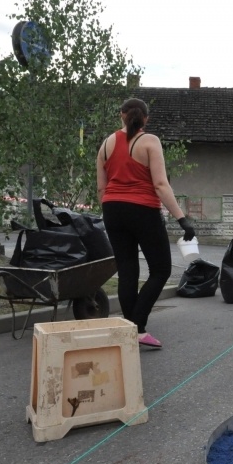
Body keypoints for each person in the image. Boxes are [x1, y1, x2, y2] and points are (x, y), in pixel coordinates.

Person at [97, 98, 195, 349]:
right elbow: (160, 185)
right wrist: (182, 219)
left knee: (127, 271)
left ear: (121, 115)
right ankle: (137, 325)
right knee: (161, 269)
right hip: (143, 210)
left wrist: (110, 212)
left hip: (112, 209)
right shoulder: (150, 141)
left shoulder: (106, 144)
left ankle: (132, 330)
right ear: (146, 119)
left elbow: (101, 188)